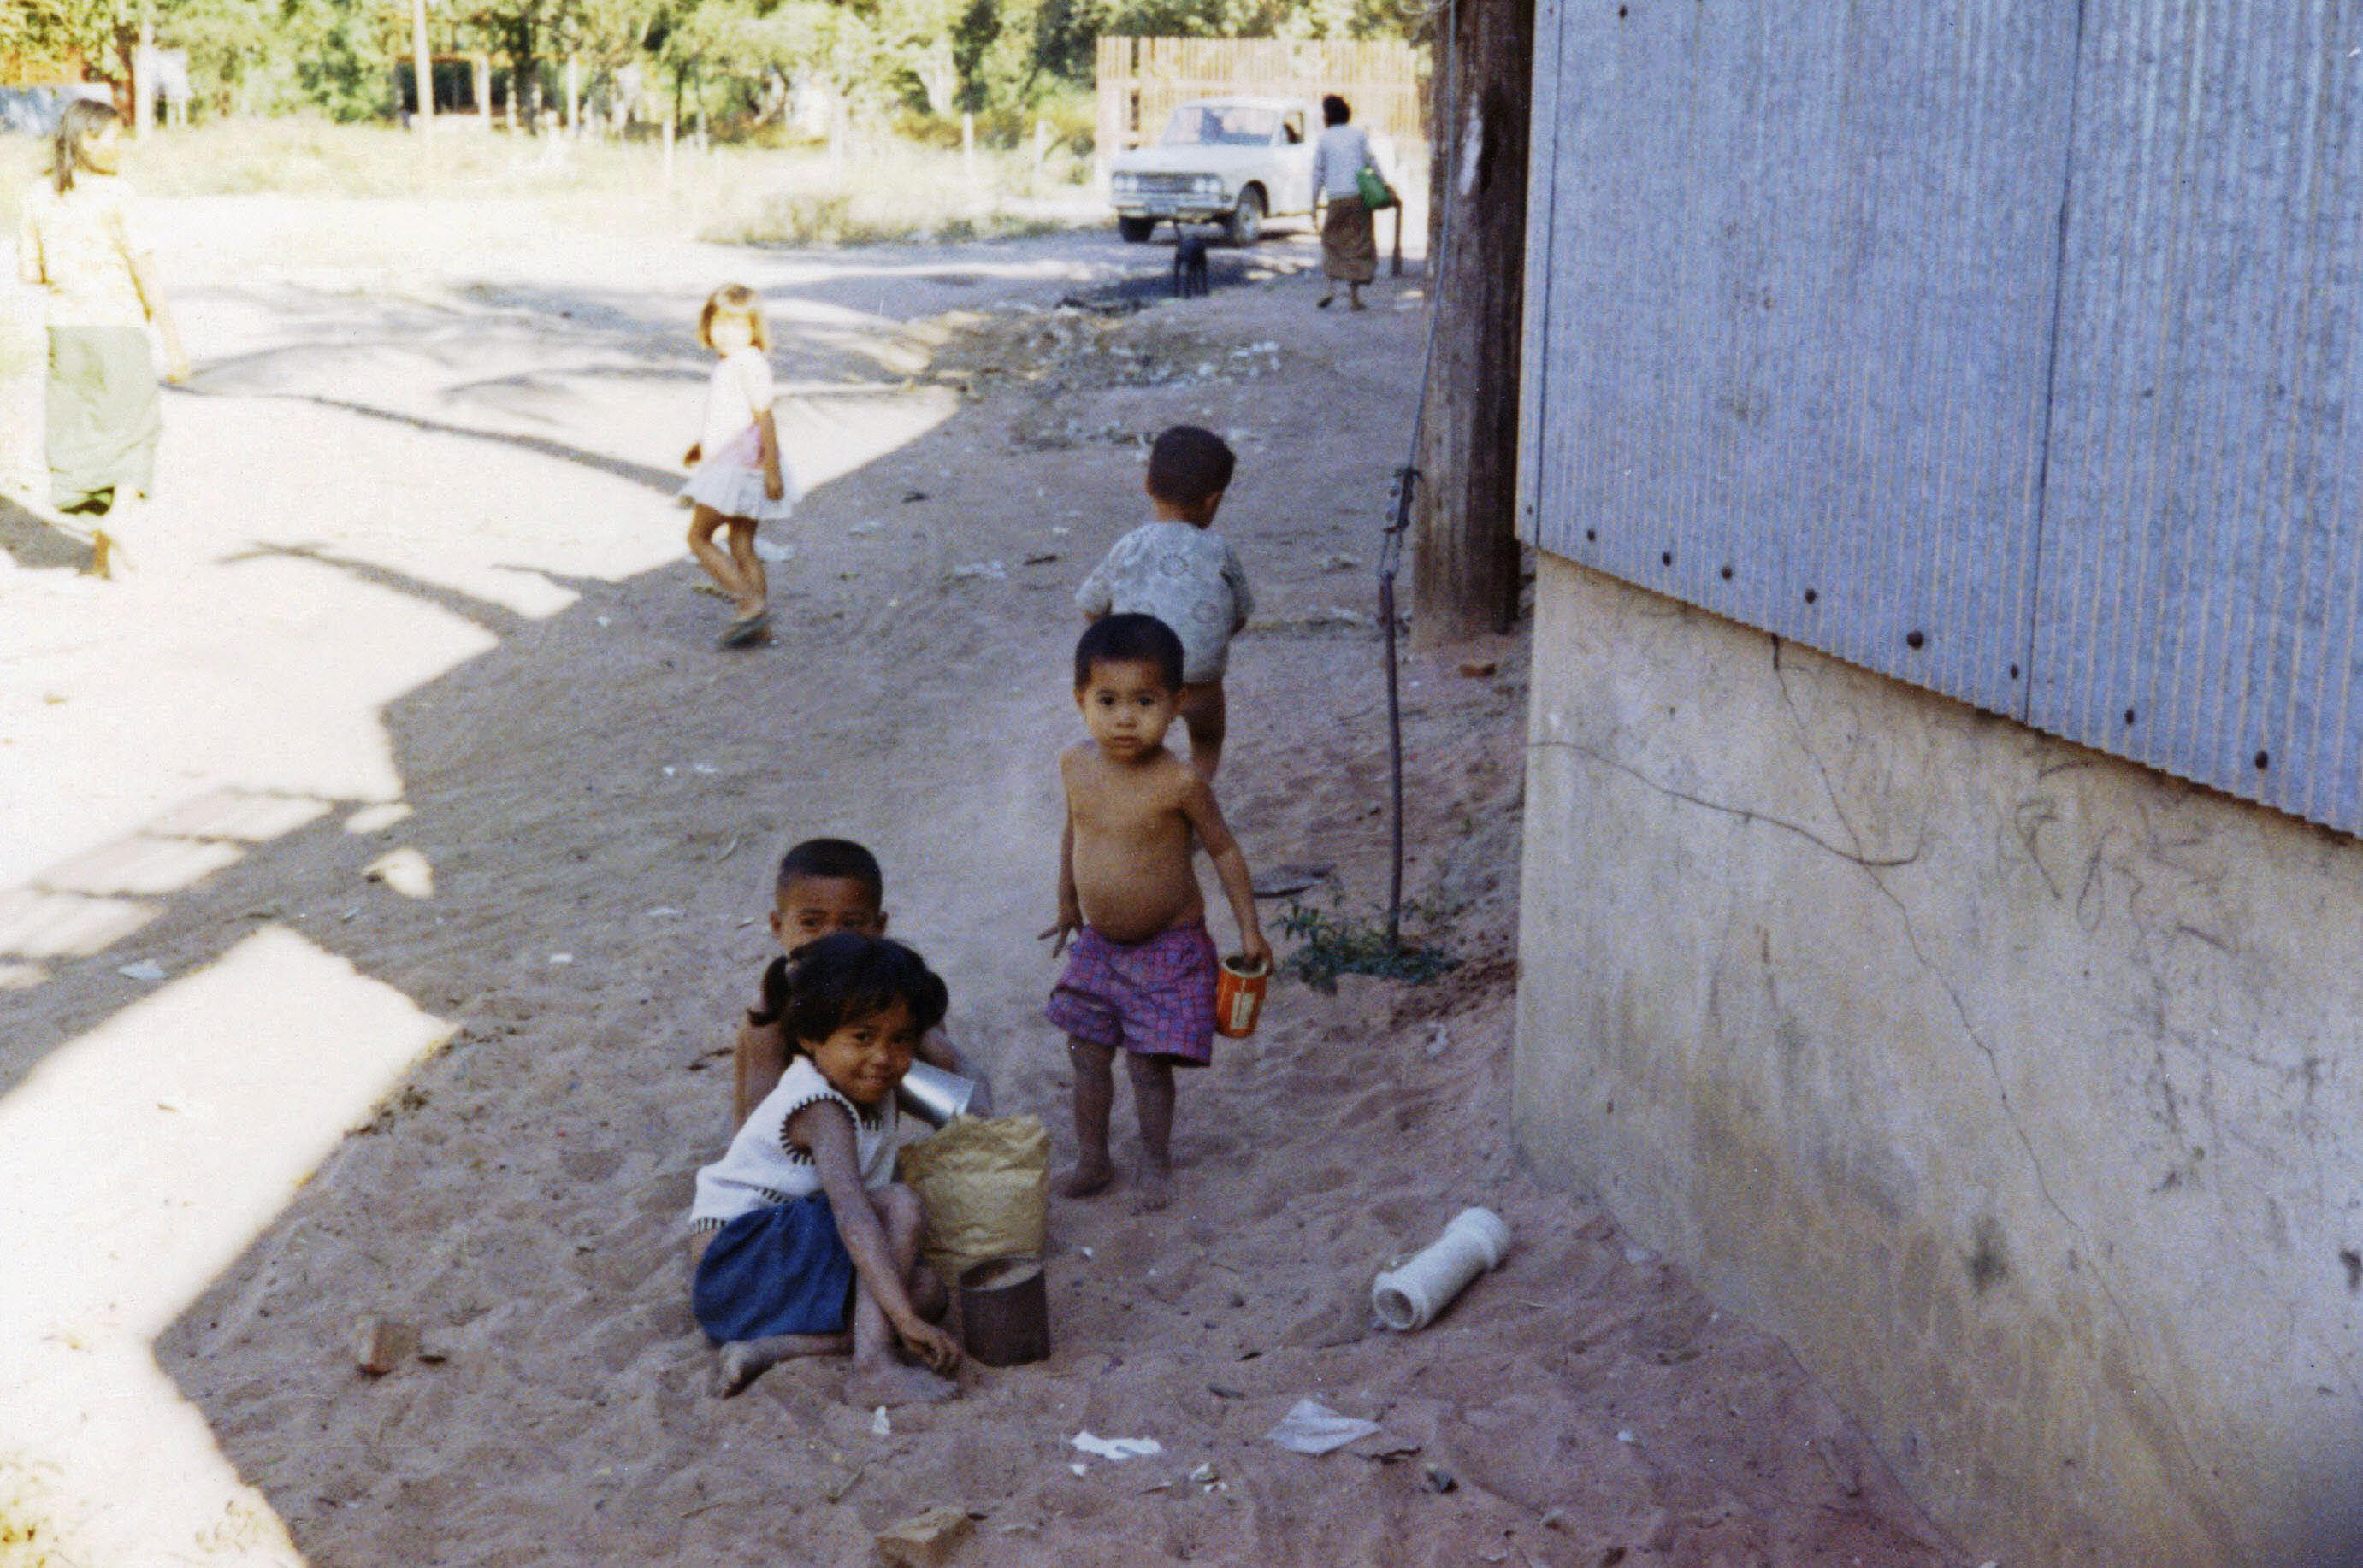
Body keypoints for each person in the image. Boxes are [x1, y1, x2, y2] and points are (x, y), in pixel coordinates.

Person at [1043, 614, 1273, 1212]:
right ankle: (1093, 1157)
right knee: (1087, 1054)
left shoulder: (1179, 781)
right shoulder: (1074, 763)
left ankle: (1155, 1159)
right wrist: (1067, 899)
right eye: (1108, 700)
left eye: (1144, 701)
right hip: (1098, 944)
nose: (1124, 717)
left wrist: (1249, 927)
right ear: (1080, 700)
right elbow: (1075, 829)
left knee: (1147, 1065)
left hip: (1167, 947)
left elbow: (1222, 848)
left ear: (1176, 705)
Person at [688, 932, 964, 1405]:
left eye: (900, 1039)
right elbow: (854, 1214)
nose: (882, 1057)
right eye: (862, 1037)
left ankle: (771, 1349)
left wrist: (907, 1311)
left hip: (777, 1268)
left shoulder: (868, 1084)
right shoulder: (821, 1109)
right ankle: (873, 1367)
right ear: (811, 1038)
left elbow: (964, 1101)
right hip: (739, 1264)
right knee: (898, 1205)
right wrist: (900, 1319)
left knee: (928, 1294)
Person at [15, 97, 189, 563]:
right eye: (113, 137)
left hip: (65, 332)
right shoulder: (118, 195)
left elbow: (29, 271)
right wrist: (173, 345)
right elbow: (146, 272)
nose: (121, 147)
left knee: (84, 433)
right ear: (85, 139)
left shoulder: (38, 193)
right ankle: (117, 520)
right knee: (136, 429)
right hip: (118, 328)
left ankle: (98, 558)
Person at [730, 837, 990, 1128]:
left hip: (866, 1147)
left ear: (878, 928)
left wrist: (921, 1037)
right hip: (793, 1153)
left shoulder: (893, 995)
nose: (832, 937)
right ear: (779, 927)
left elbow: (961, 1083)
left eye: (852, 923)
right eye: (812, 923)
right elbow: (759, 1122)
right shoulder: (771, 1015)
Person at [1075, 427, 1253, 781]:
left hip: (1137, 675)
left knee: (1132, 739)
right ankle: (1195, 795)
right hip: (1200, 679)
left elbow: (1090, 605)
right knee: (1206, 738)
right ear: (1213, 501)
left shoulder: (1130, 545)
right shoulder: (1219, 550)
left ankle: (1135, 798)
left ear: (1147, 485)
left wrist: (1113, 640)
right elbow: (1240, 614)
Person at [681, 283, 796, 648]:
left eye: (738, 326)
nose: (727, 334)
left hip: (739, 471)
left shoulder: (747, 364)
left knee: (698, 538)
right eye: (720, 324)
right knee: (742, 544)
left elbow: (765, 417)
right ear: (707, 323)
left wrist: (772, 469)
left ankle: (749, 603)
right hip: (739, 464)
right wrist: (702, 445)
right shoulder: (735, 363)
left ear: (753, 329)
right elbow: (734, 416)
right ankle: (759, 627)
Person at [1309, 93, 1385, 311]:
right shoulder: (1358, 135)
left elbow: (1318, 174)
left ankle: (1330, 288)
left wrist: (1313, 206)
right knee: (1358, 244)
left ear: (1327, 116)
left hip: (1336, 198)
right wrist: (1384, 183)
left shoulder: (1324, 139)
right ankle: (1354, 297)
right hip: (1358, 197)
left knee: (1332, 242)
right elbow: (1371, 162)